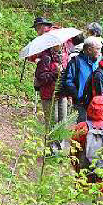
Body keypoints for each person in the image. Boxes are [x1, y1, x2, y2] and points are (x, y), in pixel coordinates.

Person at [31, 17, 68, 154]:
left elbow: (67, 74)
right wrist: (55, 73)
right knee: (51, 122)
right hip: (48, 93)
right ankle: (53, 150)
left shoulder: (63, 55)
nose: (60, 45)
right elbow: (41, 77)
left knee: (63, 121)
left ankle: (61, 149)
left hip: (62, 93)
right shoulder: (45, 56)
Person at [62, 36, 102, 123]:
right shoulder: (75, 62)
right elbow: (68, 81)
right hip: (81, 103)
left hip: (97, 102)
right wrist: (77, 95)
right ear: (89, 50)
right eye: (98, 49)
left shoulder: (99, 61)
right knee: (82, 128)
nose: (100, 52)